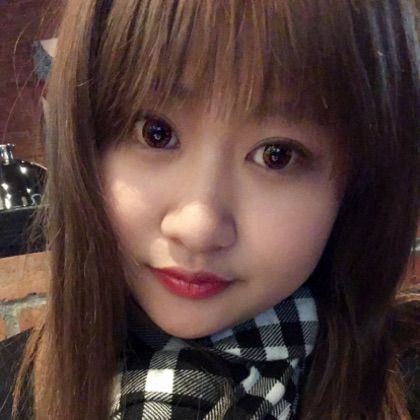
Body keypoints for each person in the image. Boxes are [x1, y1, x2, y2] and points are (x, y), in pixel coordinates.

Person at [0, 0, 419, 419]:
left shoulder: (403, 384)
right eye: (156, 133)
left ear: (360, 180)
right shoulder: (10, 390)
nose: (197, 227)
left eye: (277, 155)